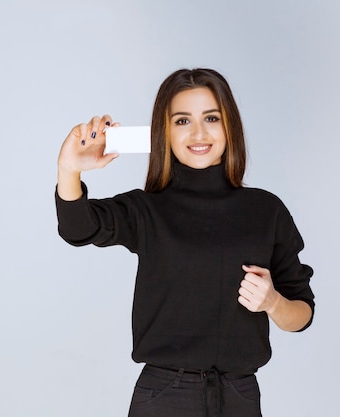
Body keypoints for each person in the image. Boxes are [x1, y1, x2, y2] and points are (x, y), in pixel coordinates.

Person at [55, 68, 315, 417]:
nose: (198, 133)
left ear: (229, 126)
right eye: (181, 121)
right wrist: (69, 169)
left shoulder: (266, 210)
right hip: (165, 396)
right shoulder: (147, 209)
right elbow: (78, 228)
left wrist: (272, 302)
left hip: (239, 396)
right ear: (165, 132)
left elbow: (301, 314)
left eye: (211, 117)